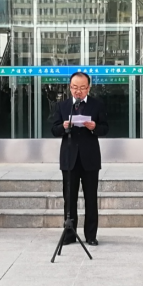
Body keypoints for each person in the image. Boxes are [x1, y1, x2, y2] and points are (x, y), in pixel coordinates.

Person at [50, 71, 108, 245]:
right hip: (69, 158)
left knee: (91, 199)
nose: (78, 91)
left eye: (82, 88)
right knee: (69, 199)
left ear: (88, 88)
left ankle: (91, 236)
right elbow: (53, 129)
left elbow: (105, 128)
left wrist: (94, 126)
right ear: (70, 87)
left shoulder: (97, 105)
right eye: (75, 87)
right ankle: (69, 234)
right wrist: (63, 126)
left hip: (90, 158)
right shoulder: (63, 106)